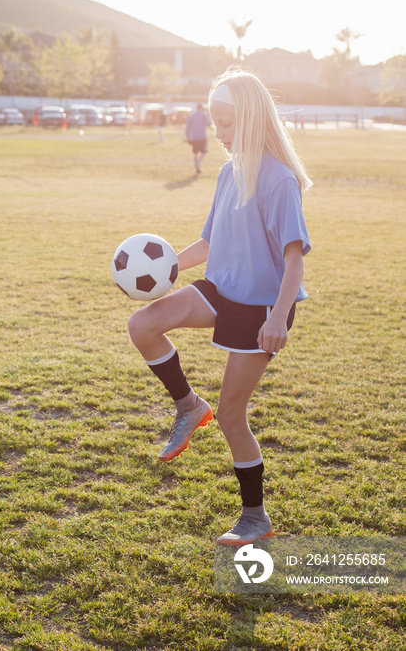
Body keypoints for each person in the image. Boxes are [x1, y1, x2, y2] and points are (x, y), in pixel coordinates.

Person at [127, 66, 312, 546]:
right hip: (221, 289)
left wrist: (277, 317)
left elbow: (295, 262)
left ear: (251, 117)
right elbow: (208, 243)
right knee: (143, 324)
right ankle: (188, 406)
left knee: (232, 416)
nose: (220, 132)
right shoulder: (229, 172)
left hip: (261, 309)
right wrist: (160, 268)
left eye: (227, 122)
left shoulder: (279, 178)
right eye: (216, 122)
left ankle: (255, 516)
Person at [185, 104, 211, 174]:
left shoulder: (191, 116)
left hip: (194, 137)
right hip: (202, 136)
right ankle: (198, 162)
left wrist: (188, 137)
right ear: (201, 108)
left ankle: (197, 169)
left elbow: (187, 128)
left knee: (195, 153)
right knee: (204, 151)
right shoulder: (203, 114)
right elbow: (209, 124)